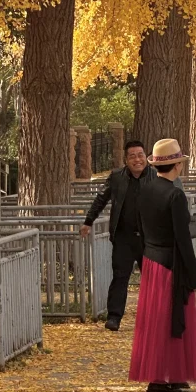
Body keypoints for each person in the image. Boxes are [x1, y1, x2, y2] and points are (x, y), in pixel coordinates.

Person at [129, 138, 196, 392]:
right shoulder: (175, 195)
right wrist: (194, 277)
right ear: (177, 166)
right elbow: (183, 239)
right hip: (172, 265)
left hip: (151, 261)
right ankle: (162, 377)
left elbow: (139, 227)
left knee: (155, 320)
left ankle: (169, 373)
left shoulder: (145, 191)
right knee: (170, 319)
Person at [81, 139, 154, 332]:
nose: (137, 160)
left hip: (150, 239)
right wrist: (88, 221)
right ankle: (114, 317)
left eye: (140, 155)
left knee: (152, 279)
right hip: (124, 237)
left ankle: (152, 317)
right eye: (132, 156)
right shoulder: (116, 177)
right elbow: (101, 199)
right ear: (126, 160)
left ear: (146, 156)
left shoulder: (155, 176)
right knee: (120, 277)